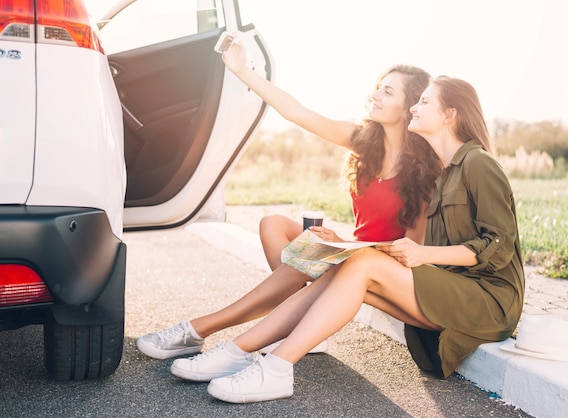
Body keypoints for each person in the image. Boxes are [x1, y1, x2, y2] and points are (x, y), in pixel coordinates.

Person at [188, 75, 524, 404]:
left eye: (424, 101)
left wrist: (423, 254)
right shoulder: (446, 172)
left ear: (450, 114)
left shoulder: (477, 163)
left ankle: (275, 366)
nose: (415, 108)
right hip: (456, 291)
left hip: (489, 303)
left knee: (360, 263)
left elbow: (498, 246)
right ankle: (239, 350)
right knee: (344, 266)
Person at [135, 39, 442, 375]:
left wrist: (347, 246)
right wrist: (242, 71)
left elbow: (410, 251)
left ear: (409, 105)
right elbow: (296, 111)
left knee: (303, 261)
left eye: (387, 92)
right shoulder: (363, 140)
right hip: (351, 250)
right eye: (377, 88)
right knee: (275, 224)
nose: (376, 96)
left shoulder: (423, 170)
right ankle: (299, 320)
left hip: (378, 263)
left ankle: (198, 329)